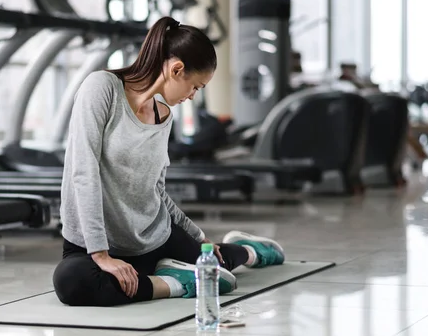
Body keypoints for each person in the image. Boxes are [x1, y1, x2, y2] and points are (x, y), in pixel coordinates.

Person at [52, 16, 285, 307]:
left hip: (153, 237)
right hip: (93, 246)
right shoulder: (101, 89)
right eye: (196, 87)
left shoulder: (164, 116)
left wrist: (197, 237)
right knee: (72, 282)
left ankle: (248, 251)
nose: (192, 96)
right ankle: (177, 282)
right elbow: (83, 173)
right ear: (177, 69)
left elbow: (156, 189)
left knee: (215, 262)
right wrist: (100, 255)